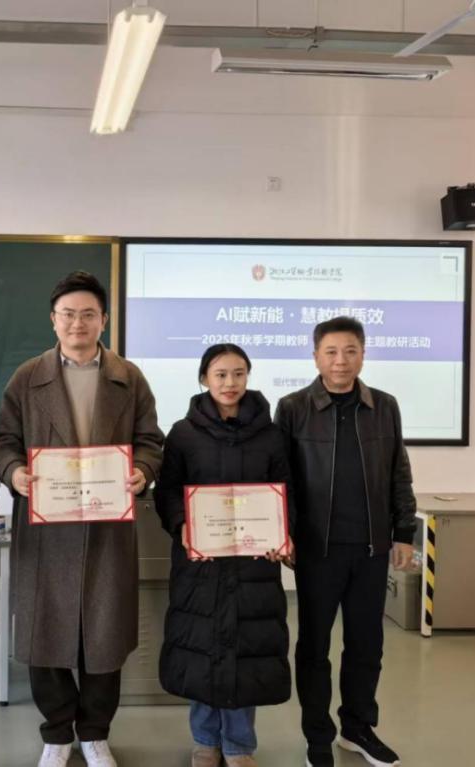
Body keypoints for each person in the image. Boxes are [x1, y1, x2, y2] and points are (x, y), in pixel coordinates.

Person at [0, 271, 164, 767]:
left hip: (108, 527)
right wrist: (14, 472)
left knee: (104, 636)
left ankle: (94, 733)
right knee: (44, 632)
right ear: (53, 319)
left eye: (88, 314)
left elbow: (151, 441)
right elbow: (3, 441)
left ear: (103, 319)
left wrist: (143, 470)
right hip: (47, 531)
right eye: (68, 314)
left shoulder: (129, 378)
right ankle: (56, 733)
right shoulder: (28, 377)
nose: (77, 323)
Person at [274, 317, 417, 767]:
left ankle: (358, 728)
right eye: (331, 352)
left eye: (350, 350)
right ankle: (318, 736)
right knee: (314, 647)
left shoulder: (384, 406)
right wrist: (285, 532)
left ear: (363, 354)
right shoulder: (293, 408)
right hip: (317, 550)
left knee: (366, 646)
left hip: (371, 548)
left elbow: (398, 471)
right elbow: (283, 479)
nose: (341, 361)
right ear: (315, 356)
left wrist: (404, 533)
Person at [155, 344, 293, 767]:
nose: (229, 383)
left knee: (245, 653)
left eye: (238, 373)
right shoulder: (183, 433)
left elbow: (286, 491)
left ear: (248, 376)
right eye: (220, 374)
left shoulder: (271, 435)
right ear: (204, 379)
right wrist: (182, 525)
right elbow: (168, 491)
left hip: (255, 565)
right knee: (201, 649)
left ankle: (238, 745)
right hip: (201, 564)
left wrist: (283, 533)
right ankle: (204, 741)